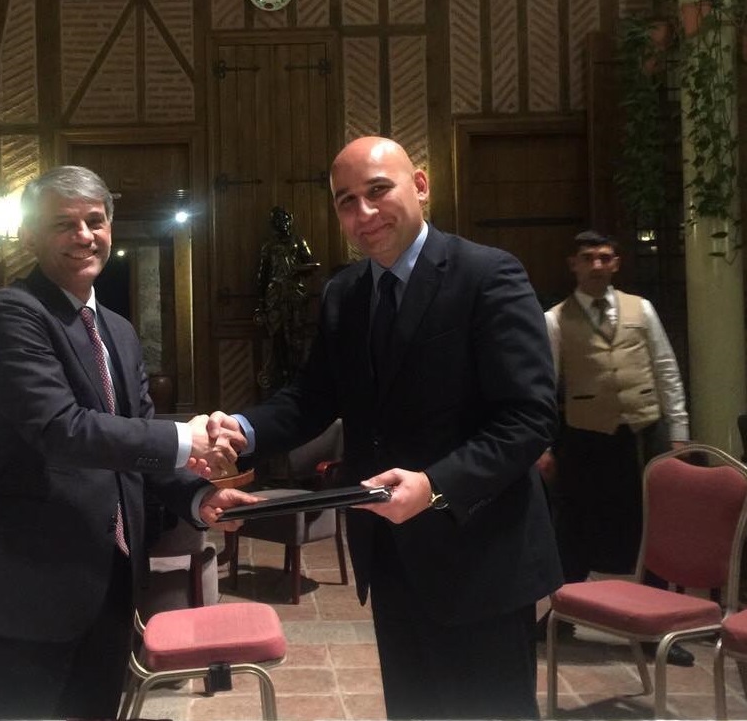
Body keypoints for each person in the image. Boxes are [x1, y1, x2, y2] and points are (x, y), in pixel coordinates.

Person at [212, 136, 562, 719]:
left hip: (481, 554)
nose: (365, 212)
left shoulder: (487, 274)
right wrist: (245, 429)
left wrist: (436, 485)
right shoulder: (345, 293)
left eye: (378, 190)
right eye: (346, 201)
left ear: (420, 186)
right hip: (390, 551)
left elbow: (530, 417)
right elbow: (312, 397)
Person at [0, 165, 256, 720]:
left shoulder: (117, 329)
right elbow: (60, 429)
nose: (84, 235)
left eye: (95, 221)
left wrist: (198, 497)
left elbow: (137, 444)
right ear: (30, 236)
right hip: (30, 587)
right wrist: (184, 436)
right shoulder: (12, 314)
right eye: (63, 224)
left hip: (111, 580)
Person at [537, 230, 692, 665]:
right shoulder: (554, 319)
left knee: (655, 528)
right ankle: (562, 615)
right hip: (585, 438)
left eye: (605, 257)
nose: (597, 265)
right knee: (574, 527)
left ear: (617, 263)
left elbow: (666, 369)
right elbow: (545, 387)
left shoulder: (642, 309)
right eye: (588, 258)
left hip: (643, 434)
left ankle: (657, 628)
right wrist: (543, 445)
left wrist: (679, 430)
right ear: (573, 264)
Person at [254, 205, 317, 391]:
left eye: (285, 219)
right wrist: (260, 303)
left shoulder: (298, 241)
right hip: (275, 295)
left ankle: (297, 378)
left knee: (297, 338)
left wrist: (297, 269)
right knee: (278, 338)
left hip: (295, 294)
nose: (282, 223)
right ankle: (280, 378)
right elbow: (262, 275)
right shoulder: (269, 246)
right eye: (278, 220)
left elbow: (312, 263)